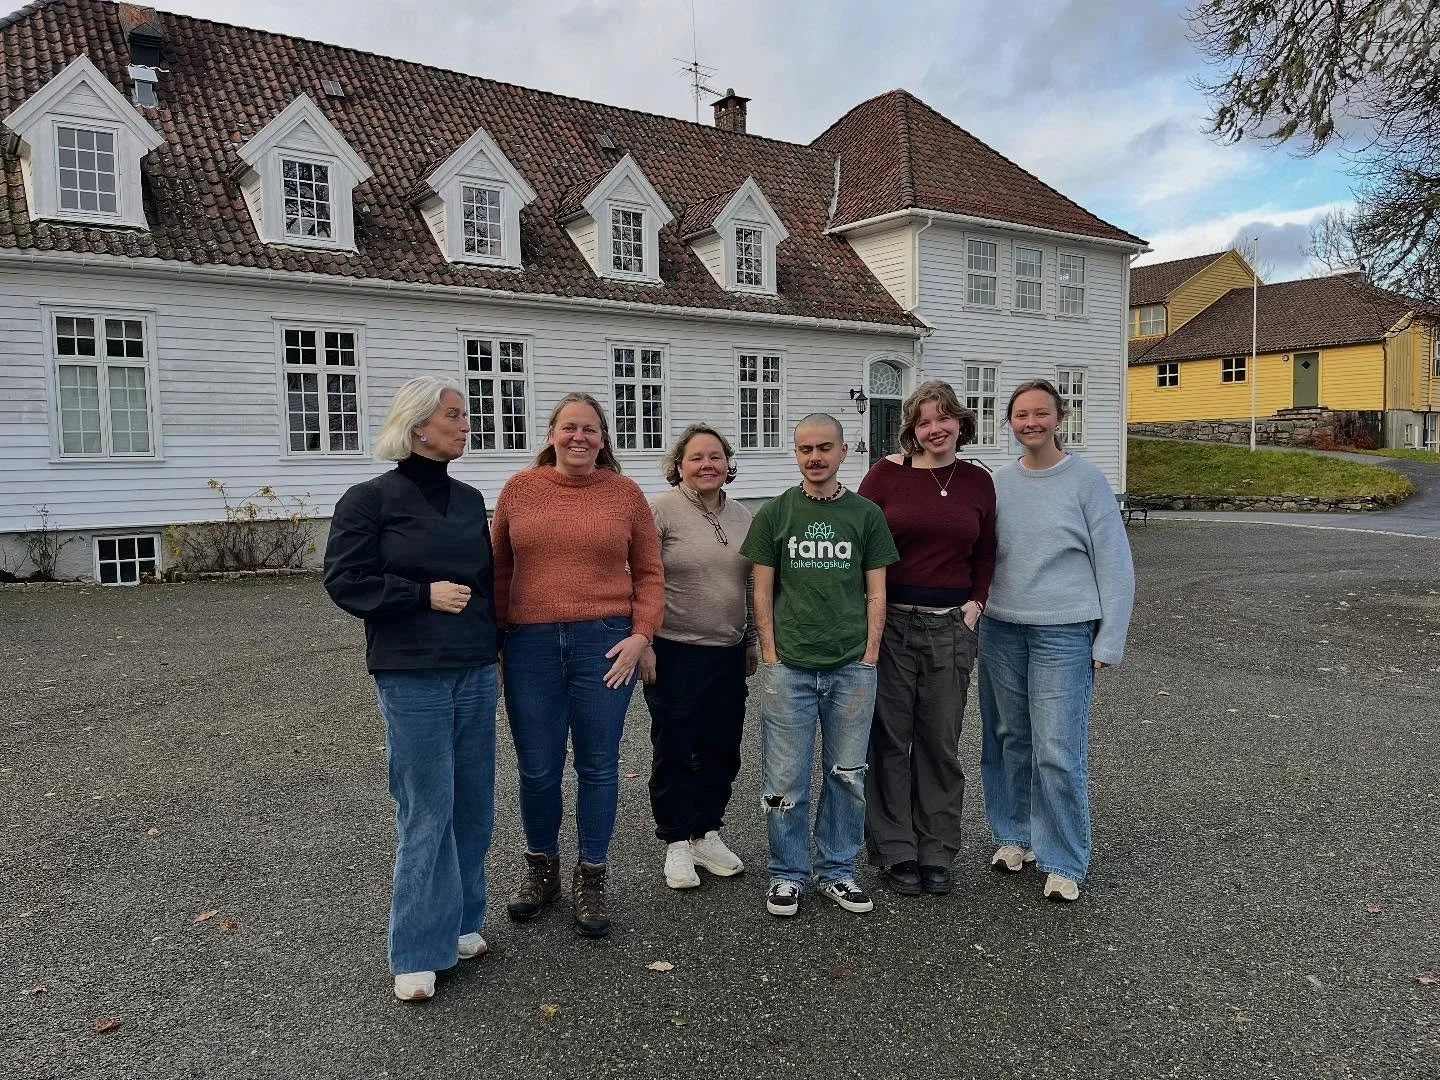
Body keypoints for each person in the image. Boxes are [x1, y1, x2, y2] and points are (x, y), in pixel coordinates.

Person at [322, 375, 500, 1002]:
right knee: (427, 807)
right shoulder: (369, 500)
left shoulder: (471, 498)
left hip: (474, 668)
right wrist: (421, 595)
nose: (466, 423)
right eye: (454, 414)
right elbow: (345, 581)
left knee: (474, 802)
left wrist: (495, 652)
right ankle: (416, 950)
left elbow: (486, 585)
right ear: (419, 425)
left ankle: (458, 924)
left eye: (466, 414)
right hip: (412, 670)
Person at [490, 392, 664, 938]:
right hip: (529, 645)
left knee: (598, 766)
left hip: (606, 644)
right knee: (537, 769)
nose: (579, 438)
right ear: (551, 435)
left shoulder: (625, 495)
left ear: (603, 438)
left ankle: (592, 875)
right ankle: (542, 870)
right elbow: (497, 571)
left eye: (590, 429)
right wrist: (496, 643)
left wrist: (641, 637)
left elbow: (652, 574)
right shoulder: (519, 490)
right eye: (569, 428)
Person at [978, 378, 1135, 903]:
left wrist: (1108, 638)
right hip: (1001, 627)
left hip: (1064, 630)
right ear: (1010, 422)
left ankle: (1064, 857)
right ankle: (1014, 835)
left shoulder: (1085, 479)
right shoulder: (999, 482)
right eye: (1021, 415)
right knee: (1007, 738)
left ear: (1059, 418)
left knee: (1057, 748)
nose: (1031, 423)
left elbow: (1114, 562)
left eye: (1040, 413)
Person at [740, 413, 899, 918]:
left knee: (848, 774)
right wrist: (769, 651)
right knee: (784, 779)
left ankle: (838, 870)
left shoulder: (866, 515)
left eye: (824, 448)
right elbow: (760, 589)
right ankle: (787, 874)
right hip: (789, 668)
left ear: (843, 451)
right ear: (796, 453)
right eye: (805, 449)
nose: (815, 457)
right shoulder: (775, 514)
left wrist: (871, 652)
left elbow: (877, 589)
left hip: (852, 665)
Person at [858, 380, 996, 897]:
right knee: (890, 740)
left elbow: (986, 550)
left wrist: (976, 603)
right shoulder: (885, 477)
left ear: (960, 422)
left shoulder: (978, 482)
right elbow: (858, 540)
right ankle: (896, 849)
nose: (935, 429)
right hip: (891, 623)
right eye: (923, 422)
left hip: (949, 627)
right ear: (911, 431)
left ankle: (937, 848)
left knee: (940, 743)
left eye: (944, 418)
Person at [640, 424, 756, 890]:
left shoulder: (745, 516)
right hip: (673, 649)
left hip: (727, 650)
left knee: (721, 745)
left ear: (728, 463)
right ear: (679, 466)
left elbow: (749, 583)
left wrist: (750, 640)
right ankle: (676, 841)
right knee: (675, 744)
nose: (707, 465)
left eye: (715, 456)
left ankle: (707, 831)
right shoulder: (661, 511)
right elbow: (642, 577)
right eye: (696, 458)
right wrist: (643, 638)